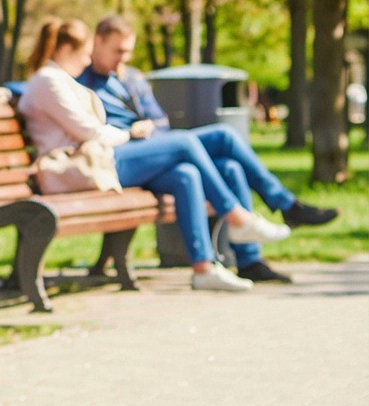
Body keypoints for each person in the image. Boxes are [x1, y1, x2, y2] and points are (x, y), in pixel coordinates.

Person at [17, 19, 294, 291]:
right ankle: (238, 218)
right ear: (67, 49)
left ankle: (204, 268)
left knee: (186, 174)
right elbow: (88, 131)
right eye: (85, 54)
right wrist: (130, 134)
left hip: (98, 162)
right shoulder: (49, 80)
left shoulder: (61, 80)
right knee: (185, 142)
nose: (87, 60)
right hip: (84, 168)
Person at [79, 15, 334, 283]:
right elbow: (84, 130)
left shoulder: (131, 78)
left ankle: (244, 262)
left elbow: (161, 121)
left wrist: (150, 130)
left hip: (155, 152)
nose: (123, 59)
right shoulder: (81, 82)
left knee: (219, 168)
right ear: (98, 41)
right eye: (118, 51)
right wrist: (131, 133)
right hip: (123, 157)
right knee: (210, 138)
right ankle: (269, 210)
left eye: (128, 52)